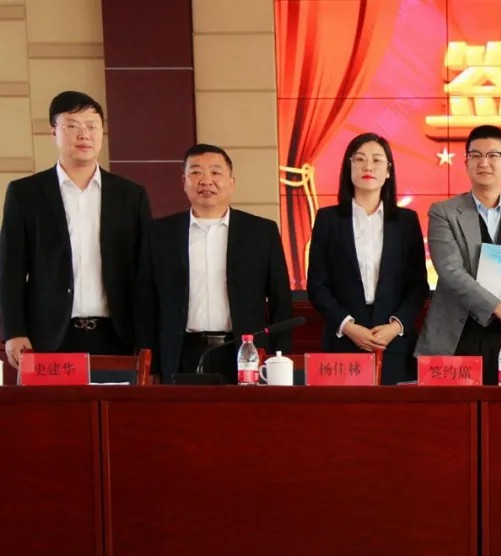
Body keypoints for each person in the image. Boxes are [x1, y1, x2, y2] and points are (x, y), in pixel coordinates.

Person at [1, 91, 150, 368]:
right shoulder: (26, 193)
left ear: (102, 132)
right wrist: (13, 330)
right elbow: (10, 269)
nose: (84, 135)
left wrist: (145, 338)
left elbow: (144, 273)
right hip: (48, 336)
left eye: (92, 126)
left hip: (117, 336)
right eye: (72, 125)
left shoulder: (130, 196)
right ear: (54, 132)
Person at [137, 144, 292, 384]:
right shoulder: (159, 234)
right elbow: (146, 304)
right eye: (196, 172)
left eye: (216, 172)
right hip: (181, 354)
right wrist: (151, 366)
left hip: (245, 354)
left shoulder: (261, 232)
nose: (206, 180)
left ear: (232, 182)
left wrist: (275, 358)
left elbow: (280, 301)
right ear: (184, 182)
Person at [415, 125, 501, 384]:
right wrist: (499, 308)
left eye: (493, 155)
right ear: (466, 163)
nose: (484, 162)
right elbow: (450, 271)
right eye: (475, 155)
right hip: (457, 336)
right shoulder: (443, 212)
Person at [307, 133, 429, 385]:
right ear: (349, 167)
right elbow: (317, 285)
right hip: (344, 340)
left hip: (394, 341)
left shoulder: (406, 222)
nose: (368, 166)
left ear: (388, 171)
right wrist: (348, 326)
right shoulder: (328, 219)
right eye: (360, 159)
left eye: (376, 160)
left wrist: (395, 327)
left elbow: (418, 285)